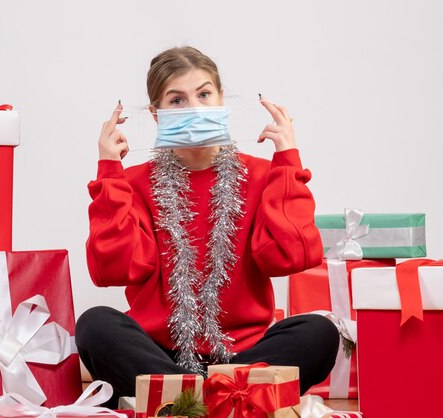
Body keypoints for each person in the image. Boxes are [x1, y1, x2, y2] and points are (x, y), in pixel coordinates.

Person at [76, 46, 339, 405]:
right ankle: (220, 400)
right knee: (95, 324)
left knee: (319, 331)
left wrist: (288, 160)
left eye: (203, 94)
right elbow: (116, 268)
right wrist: (108, 171)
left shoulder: (262, 175)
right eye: (177, 100)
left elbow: (289, 257)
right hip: (160, 356)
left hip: (242, 357)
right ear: (156, 113)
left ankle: (185, 402)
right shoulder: (135, 182)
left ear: (220, 99)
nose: (195, 108)